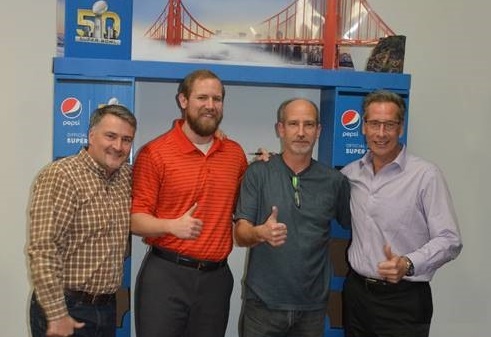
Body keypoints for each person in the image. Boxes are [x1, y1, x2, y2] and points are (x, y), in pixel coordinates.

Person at [131, 69, 248, 337]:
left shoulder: (234, 153)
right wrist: (171, 226)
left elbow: (244, 202)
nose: (210, 106)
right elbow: (135, 219)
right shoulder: (154, 153)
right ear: (183, 101)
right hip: (166, 276)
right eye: (202, 98)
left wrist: (266, 167)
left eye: (217, 99)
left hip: (216, 279)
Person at [341, 90, 463, 337]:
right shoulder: (350, 174)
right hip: (357, 295)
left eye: (390, 124)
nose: (381, 133)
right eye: (374, 124)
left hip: (404, 300)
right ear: (363, 127)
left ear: (401, 128)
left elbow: (450, 239)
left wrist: (408, 263)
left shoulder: (425, 176)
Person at [234, 98, 351, 337]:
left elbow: (354, 225)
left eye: (308, 125)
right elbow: (240, 234)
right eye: (293, 124)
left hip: (313, 307)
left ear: (318, 131)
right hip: (263, 305)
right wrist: (260, 233)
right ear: (280, 129)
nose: (301, 132)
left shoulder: (334, 181)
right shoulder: (258, 173)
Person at [28, 104, 137, 337]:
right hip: (65, 307)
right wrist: (57, 315)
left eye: (126, 140)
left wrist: (209, 136)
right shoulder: (61, 176)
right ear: (91, 135)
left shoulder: (127, 176)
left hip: (106, 308)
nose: (118, 146)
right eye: (111, 136)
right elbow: (44, 249)